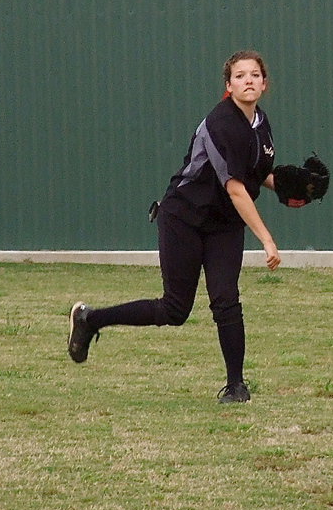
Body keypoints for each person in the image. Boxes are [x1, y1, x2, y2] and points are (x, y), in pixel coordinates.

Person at [67, 50, 290, 404]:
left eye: (255, 75)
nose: (248, 80)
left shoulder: (260, 122)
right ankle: (91, 319)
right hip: (184, 218)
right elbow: (234, 186)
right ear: (228, 85)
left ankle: (236, 386)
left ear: (264, 82)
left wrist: (297, 191)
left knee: (226, 299)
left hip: (223, 224)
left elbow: (257, 174)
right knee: (175, 309)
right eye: (240, 75)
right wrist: (267, 239)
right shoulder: (221, 123)